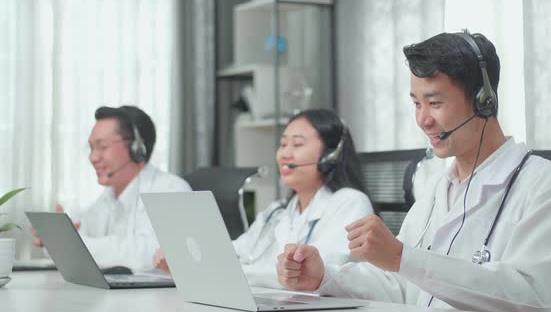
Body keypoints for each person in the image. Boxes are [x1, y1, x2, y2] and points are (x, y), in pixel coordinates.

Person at [276, 31, 551, 312]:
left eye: (435, 103)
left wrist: (401, 257)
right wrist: (324, 277)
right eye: (416, 103)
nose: (423, 120)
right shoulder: (438, 190)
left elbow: (533, 301)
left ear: (483, 101)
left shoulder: (548, 187)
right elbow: (401, 286)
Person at [154, 108, 375, 289]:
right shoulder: (277, 211)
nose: (284, 154)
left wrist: (223, 273)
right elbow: (237, 250)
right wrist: (185, 257)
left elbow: (316, 275)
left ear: (330, 155)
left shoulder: (349, 203)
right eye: (282, 144)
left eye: (297, 144)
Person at [32, 106, 191, 271]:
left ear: (137, 148)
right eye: (91, 148)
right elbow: (81, 237)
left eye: (102, 146)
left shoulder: (171, 190)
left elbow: (150, 254)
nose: (92, 157)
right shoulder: (108, 197)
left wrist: (72, 244)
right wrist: (58, 237)